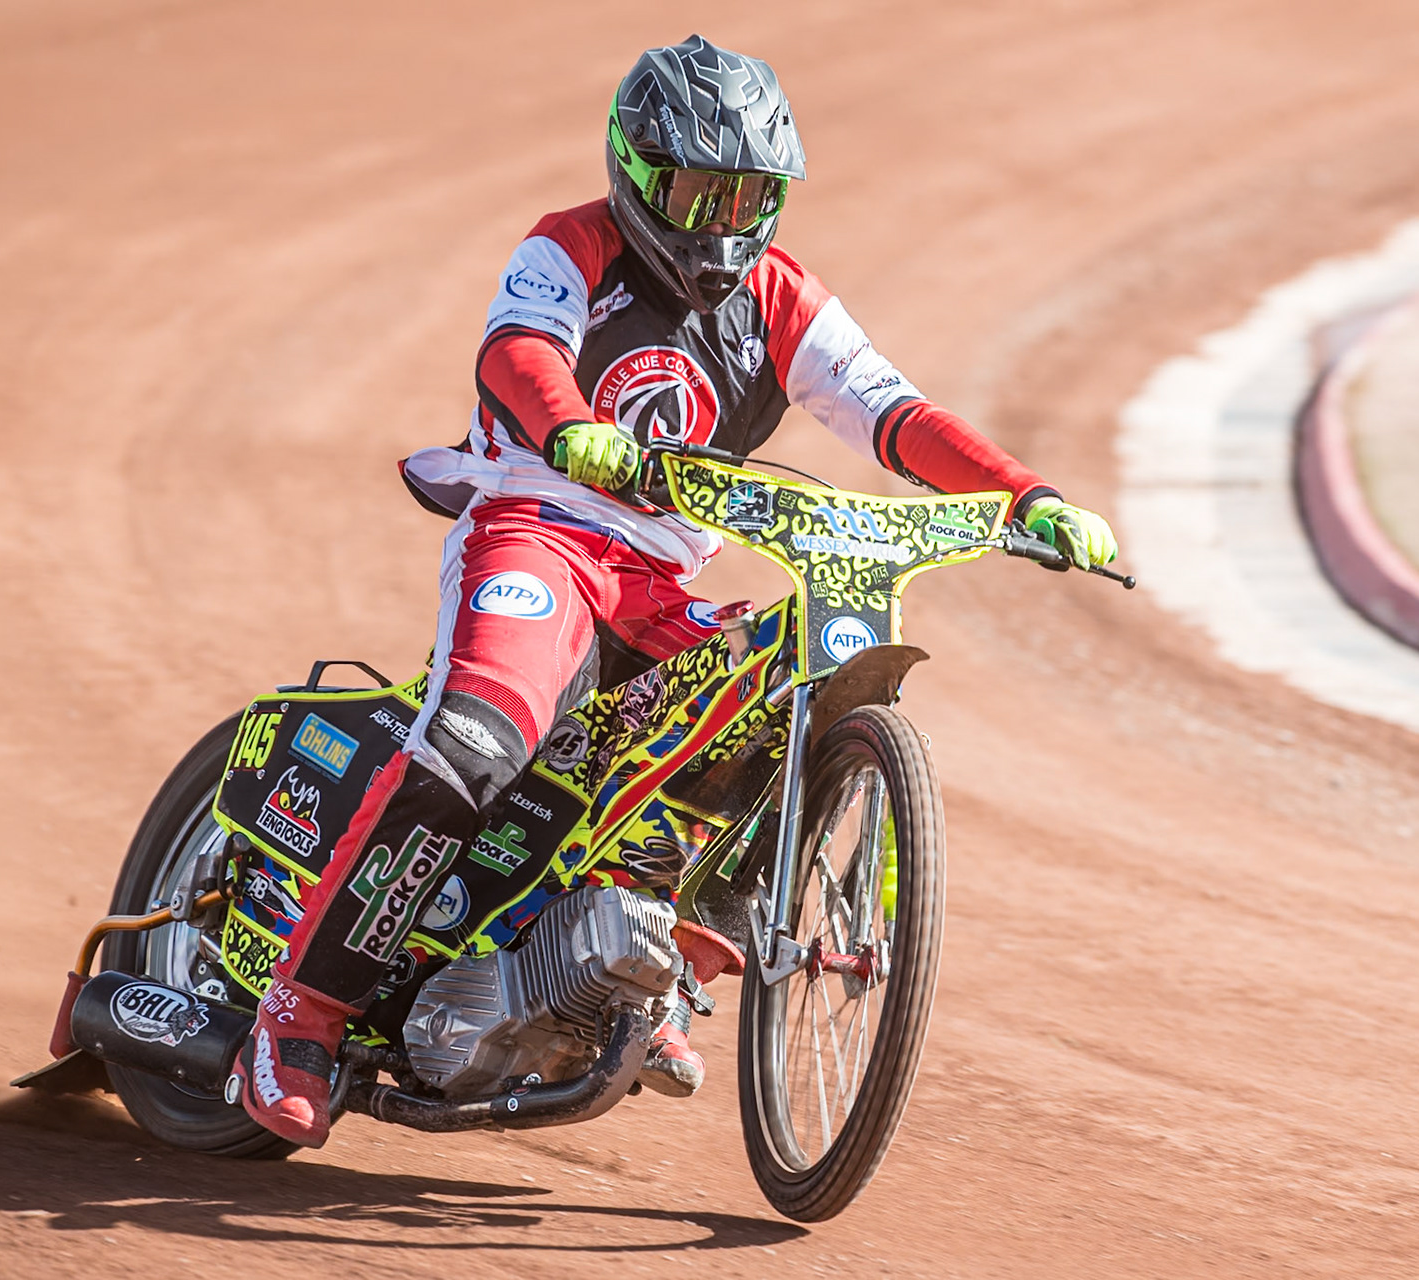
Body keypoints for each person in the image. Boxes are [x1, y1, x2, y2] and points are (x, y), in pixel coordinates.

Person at [232, 34, 1119, 1148]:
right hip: (541, 529)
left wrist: (1024, 494)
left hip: (657, 581)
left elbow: (899, 415)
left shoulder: (785, 299)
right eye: (702, 189)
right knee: (480, 736)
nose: (724, 221)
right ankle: (301, 1009)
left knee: (760, 712)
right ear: (638, 172)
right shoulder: (571, 248)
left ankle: (644, 971)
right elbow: (518, 350)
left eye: (751, 194)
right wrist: (571, 432)